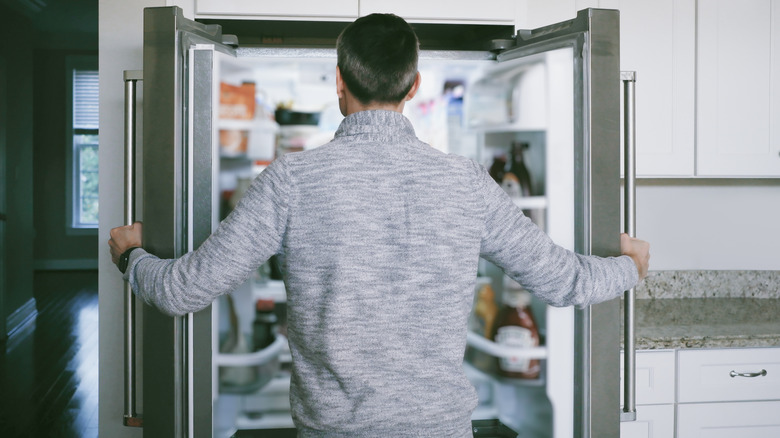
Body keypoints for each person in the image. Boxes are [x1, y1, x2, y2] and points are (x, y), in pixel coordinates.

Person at [109, 13, 650, 438]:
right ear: (413, 86)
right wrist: (630, 264)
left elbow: (181, 291)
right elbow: (567, 282)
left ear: (338, 81)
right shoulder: (466, 183)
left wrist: (130, 254)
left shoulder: (292, 179)